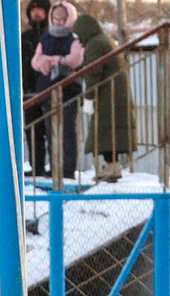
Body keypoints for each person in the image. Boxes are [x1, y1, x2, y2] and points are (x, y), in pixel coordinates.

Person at [28, 1, 85, 183]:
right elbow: (35, 61)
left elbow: (75, 59)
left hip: (68, 90)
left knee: (67, 130)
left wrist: (52, 59)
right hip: (47, 89)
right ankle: (54, 166)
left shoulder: (75, 39)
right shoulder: (45, 38)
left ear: (69, 19)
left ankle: (68, 168)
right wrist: (46, 61)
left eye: (62, 18)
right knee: (50, 131)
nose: (58, 22)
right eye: (55, 18)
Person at [76, 3, 130, 181]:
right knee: (110, 131)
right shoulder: (106, 40)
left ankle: (111, 167)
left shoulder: (95, 44)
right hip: (116, 93)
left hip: (108, 94)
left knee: (105, 131)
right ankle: (111, 166)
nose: (78, 39)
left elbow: (93, 73)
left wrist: (89, 97)